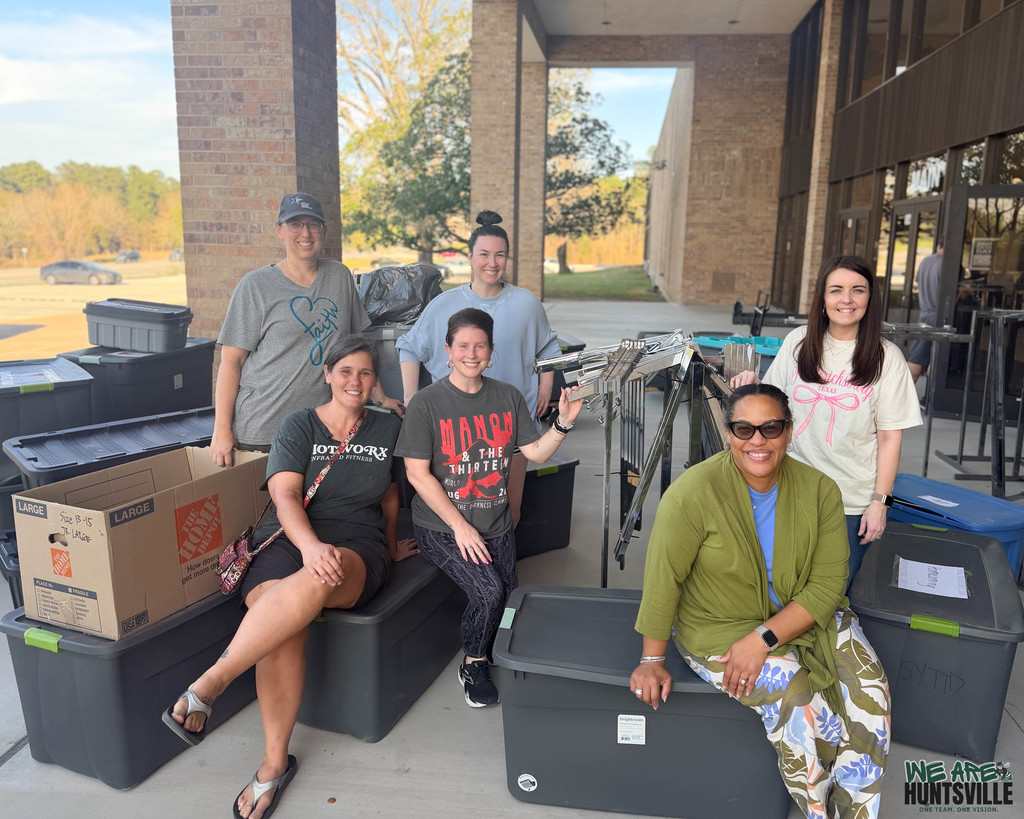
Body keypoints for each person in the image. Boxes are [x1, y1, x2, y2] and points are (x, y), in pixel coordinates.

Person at [162, 335, 418, 819]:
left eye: (365, 373)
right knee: (282, 616)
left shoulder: (386, 428)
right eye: (346, 371)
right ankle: (273, 763)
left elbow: (388, 496)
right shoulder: (299, 424)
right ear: (327, 374)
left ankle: (211, 683)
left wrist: (388, 547)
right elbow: (284, 498)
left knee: (321, 576)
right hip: (287, 535)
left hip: (356, 546)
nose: (355, 382)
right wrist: (309, 546)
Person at [631, 383, 890, 819]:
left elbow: (828, 585)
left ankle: (856, 812)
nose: (758, 440)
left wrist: (763, 639)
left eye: (770, 428)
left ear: (789, 432)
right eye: (744, 429)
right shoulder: (694, 492)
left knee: (871, 697)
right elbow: (664, 577)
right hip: (720, 623)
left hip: (812, 616)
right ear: (729, 433)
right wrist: (652, 659)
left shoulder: (820, 490)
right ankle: (817, 812)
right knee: (800, 700)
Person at [396, 308, 582, 707]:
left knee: (509, 602)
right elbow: (417, 474)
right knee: (489, 591)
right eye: (462, 345)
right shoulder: (427, 404)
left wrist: (562, 424)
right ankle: (473, 663)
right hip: (443, 527)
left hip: (495, 523)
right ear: (448, 351)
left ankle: (497, 649)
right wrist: (460, 527)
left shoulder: (507, 396)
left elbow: (534, 452)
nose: (471, 352)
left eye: (480, 345)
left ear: (491, 352)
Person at [731, 255, 921, 586]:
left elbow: (891, 439)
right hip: (788, 490)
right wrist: (751, 385)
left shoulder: (887, 358)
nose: (846, 299)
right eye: (836, 290)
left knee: (829, 595)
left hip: (848, 501)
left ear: (870, 299)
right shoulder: (799, 342)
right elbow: (769, 406)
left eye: (857, 290)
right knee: (775, 586)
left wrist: (880, 503)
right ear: (823, 298)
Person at [212, 192, 403, 467]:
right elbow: (231, 362)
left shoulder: (340, 277)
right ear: (279, 230)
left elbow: (356, 350)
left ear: (323, 231)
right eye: (295, 224)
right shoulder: (255, 286)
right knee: (265, 510)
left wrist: (379, 396)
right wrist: (222, 429)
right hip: (264, 427)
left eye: (313, 225)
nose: (306, 233)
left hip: (322, 427)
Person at [396, 210, 560, 525]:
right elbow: (409, 346)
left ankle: (501, 566)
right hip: (456, 435)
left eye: (500, 255)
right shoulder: (443, 305)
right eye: (484, 254)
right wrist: (412, 397)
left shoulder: (527, 304)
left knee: (509, 511)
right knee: (458, 514)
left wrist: (545, 386)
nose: (492, 262)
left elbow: (549, 346)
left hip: (510, 431)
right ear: (470, 257)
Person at [908, 240, 944, 383]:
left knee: (916, 358)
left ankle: (903, 398)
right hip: (941, 316)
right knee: (936, 360)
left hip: (924, 314)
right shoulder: (949, 264)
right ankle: (929, 399)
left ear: (938, 246)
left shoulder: (925, 262)